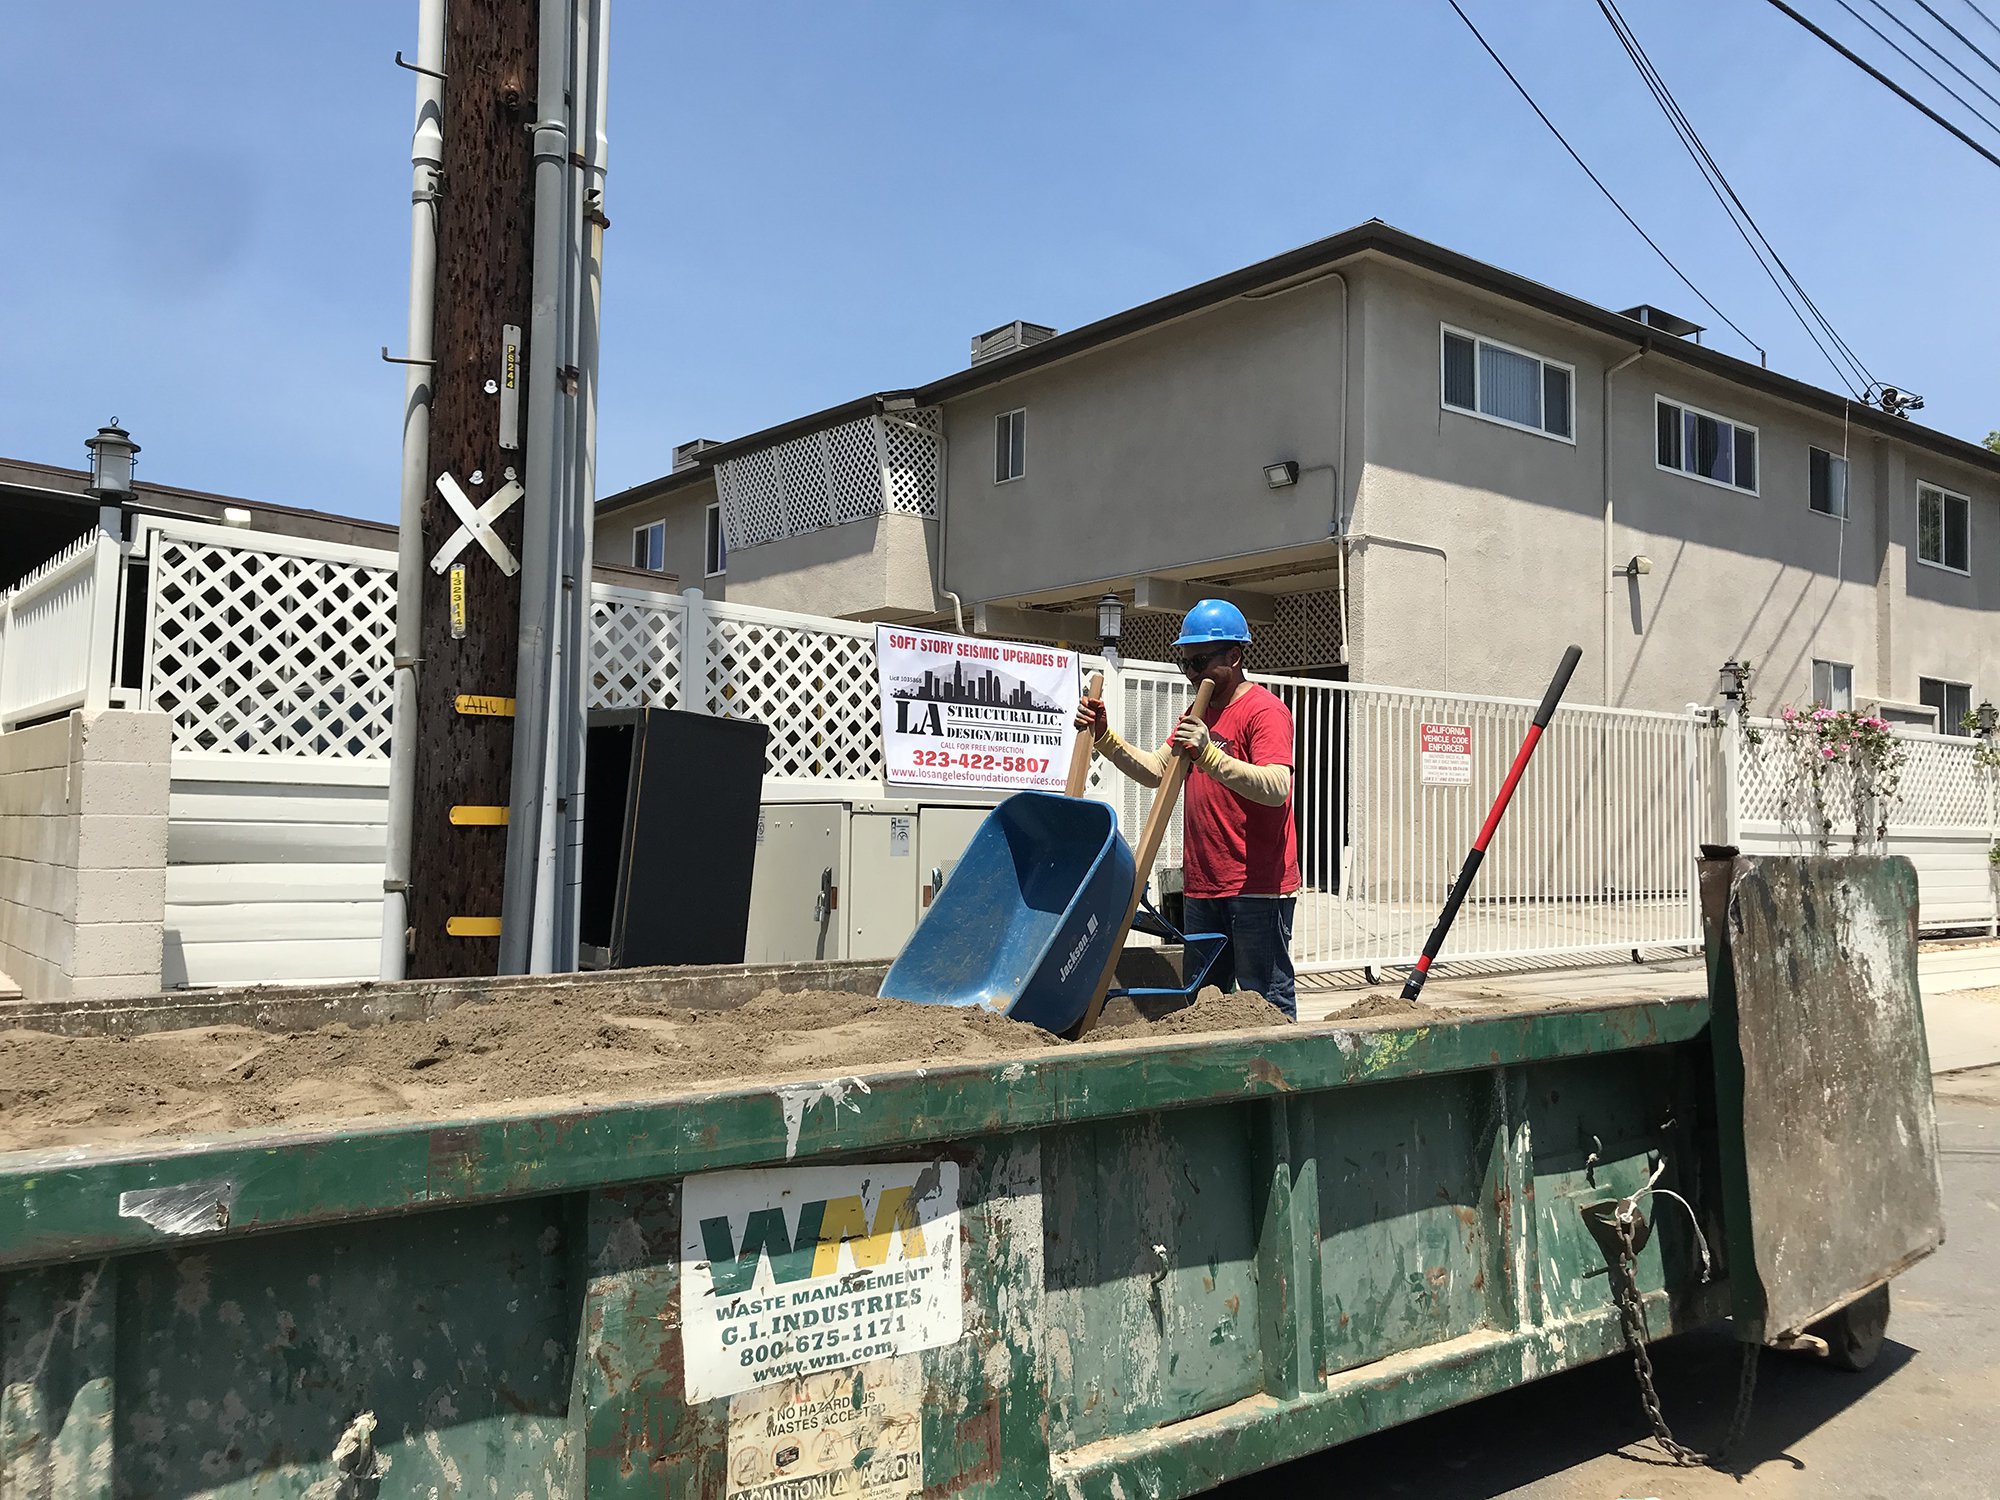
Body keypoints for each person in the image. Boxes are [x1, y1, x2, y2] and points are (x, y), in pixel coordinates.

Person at [1075, 600, 1301, 1019]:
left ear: (1234, 656)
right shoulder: (1196, 716)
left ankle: (1280, 1081)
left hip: (1257, 885)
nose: (1192, 674)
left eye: (1199, 662)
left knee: (1267, 999)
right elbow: (1157, 772)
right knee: (1203, 1003)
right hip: (1204, 883)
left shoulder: (1264, 710)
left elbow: (1277, 787)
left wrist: (1209, 755)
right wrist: (1105, 737)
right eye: (1186, 665)